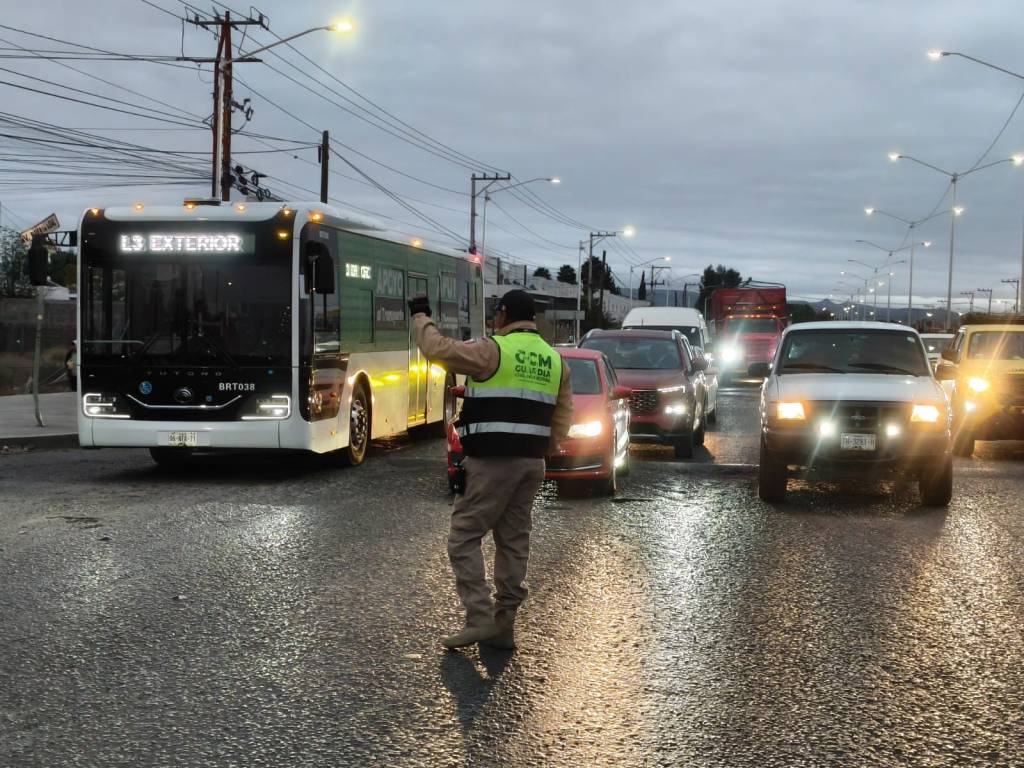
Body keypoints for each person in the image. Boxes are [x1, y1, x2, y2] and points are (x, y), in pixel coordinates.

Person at [410, 289, 573, 650]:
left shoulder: (493, 350)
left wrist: (420, 316)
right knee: (513, 540)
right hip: (532, 465)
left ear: (503, 315)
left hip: (492, 462)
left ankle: (480, 618)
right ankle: (505, 621)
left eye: (496, 315)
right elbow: (562, 418)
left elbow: (438, 350)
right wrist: (540, 450)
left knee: (464, 537)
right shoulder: (555, 360)